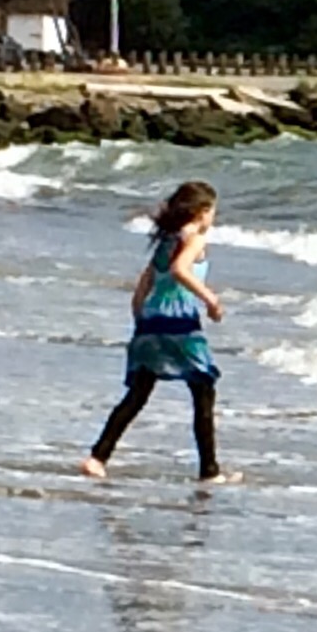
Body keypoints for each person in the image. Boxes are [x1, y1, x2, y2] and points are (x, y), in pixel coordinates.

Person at [81, 180, 235, 484]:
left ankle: (98, 457)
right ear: (202, 211)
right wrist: (211, 300)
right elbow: (180, 269)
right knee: (203, 390)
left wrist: (142, 323)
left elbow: (141, 289)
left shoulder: (165, 241)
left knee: (138, 393)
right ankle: (209, 471)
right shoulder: (195, 239)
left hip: (151, 320)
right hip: (180, 323)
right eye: (212, 211)